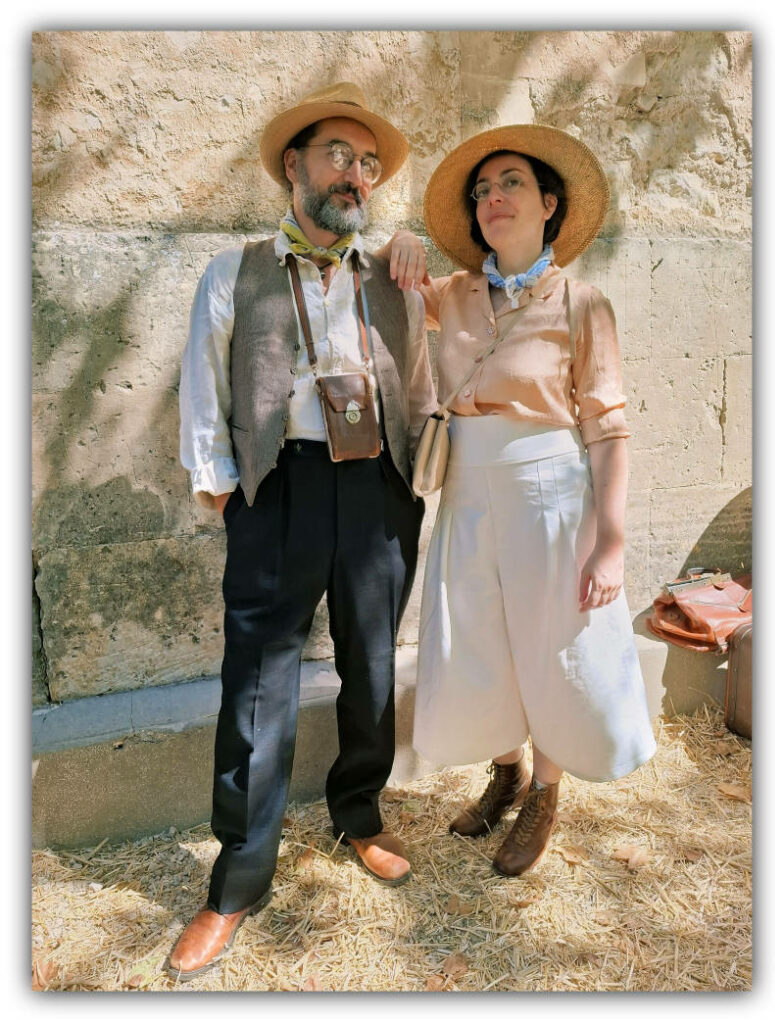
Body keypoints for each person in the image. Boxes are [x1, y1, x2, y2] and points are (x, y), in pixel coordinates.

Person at [172, 82, 436, 980]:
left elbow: (473, 318)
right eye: (337, 155)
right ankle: (238, 881)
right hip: (278, 490)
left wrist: (417, 257)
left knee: (370, 661)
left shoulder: (396, 269)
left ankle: (358, 811)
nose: (354, 175)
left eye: (367, 164)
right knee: (258, 682)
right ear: (294, 166)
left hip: (377, 491)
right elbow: (204, 381)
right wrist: (219, 489)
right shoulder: (235, 269)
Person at [411, 124, 657, 876]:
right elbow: (377, 300)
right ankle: (507, 772)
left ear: (550, 203)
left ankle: (545, 793)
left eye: (510, 182)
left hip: (554, 497)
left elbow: (608, 430)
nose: (493, 198)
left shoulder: (584, 303)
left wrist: (608, 539)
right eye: (482, 190)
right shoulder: (448, 297)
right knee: (481, 645)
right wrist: (396, 245)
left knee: (555, 646)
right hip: (467, 495)